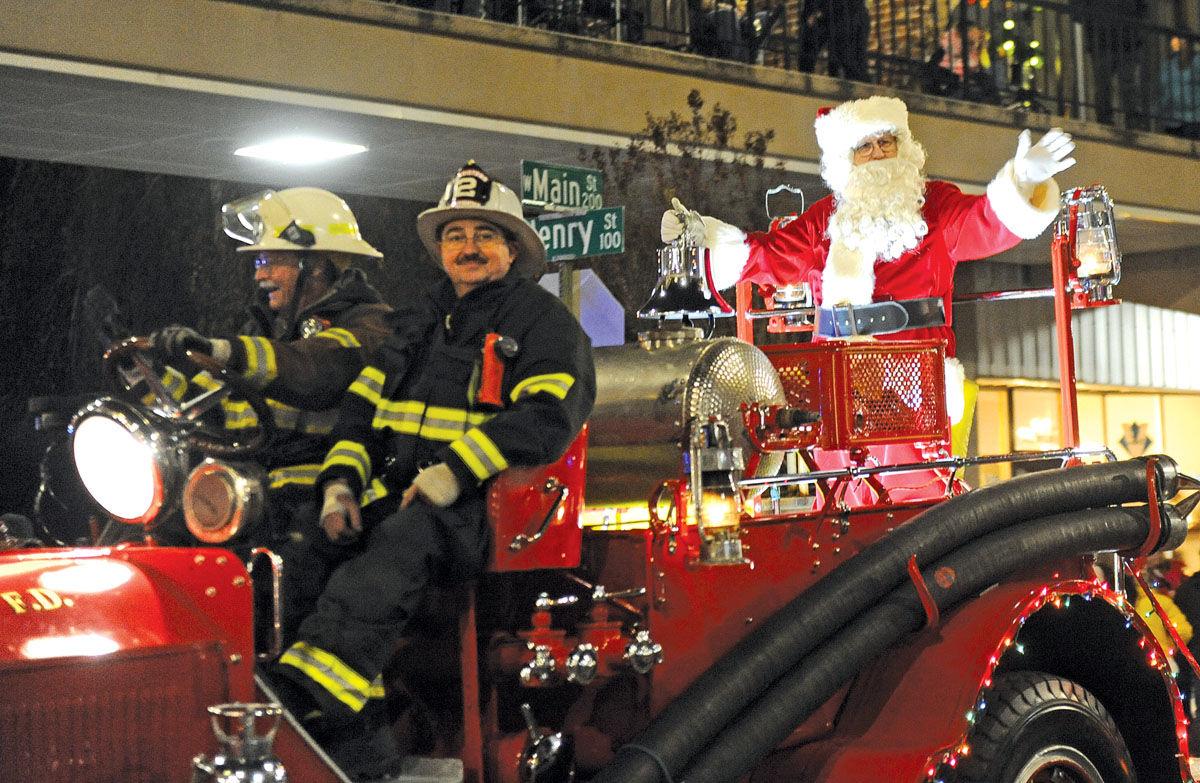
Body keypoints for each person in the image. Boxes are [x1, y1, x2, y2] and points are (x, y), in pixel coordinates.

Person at [269, 162, 596, 779]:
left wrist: (454, 471)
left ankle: (304, 698)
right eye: (455, 235)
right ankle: (352, 738)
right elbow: (362, 413)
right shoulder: (415, 323)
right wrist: (339, 488)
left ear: (513, 248)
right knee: (305, 549)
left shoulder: (543, 325)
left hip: (471, 507)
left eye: (485, 234)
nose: (468, 247)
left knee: (394, 547)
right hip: (396, 495)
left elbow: (551, 415)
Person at [662, 95, 1074, 494]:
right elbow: (769, 256)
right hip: (836, 386)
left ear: (904, 148)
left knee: (916, 497)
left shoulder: (935, 208)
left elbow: (985, 222)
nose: (879, 154)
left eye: (887, 141)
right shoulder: (824, 218)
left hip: (913, 385)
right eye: (865, 146)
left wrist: (1023, 181)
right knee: (838, 497)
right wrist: (704, 241)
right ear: (846, 159)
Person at [146, 188, 392, 549]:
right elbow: (208, 404)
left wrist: (219, 349)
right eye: (259, 262)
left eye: (273, 261)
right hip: (250, 490)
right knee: (159, 535)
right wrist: (145, 376)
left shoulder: (371, 325)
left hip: (316, 496)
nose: (261, 275)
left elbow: (313, 370)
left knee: (290, 569)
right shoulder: (268, 330)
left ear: (318, 266)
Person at [1070, 0, 1149, 128]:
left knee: (1125, 85)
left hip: (1124, 40)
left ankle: (1129, 121)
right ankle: (1108, 120)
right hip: (1105, 40)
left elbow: (1142, 7)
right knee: (1105, 85)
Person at [796, 0, 870, 82]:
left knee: (849, 62)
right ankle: (807, 78)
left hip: (846, 15)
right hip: (834, 14)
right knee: (810, 51)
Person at [1159, 35, 1200, 140]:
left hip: (1192, 119)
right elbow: (1163, 86)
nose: (1181, 45)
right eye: (1178, 42)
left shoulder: (1197, 62)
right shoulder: (1169, 64)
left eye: (1184, 42)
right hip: (1171, 119)